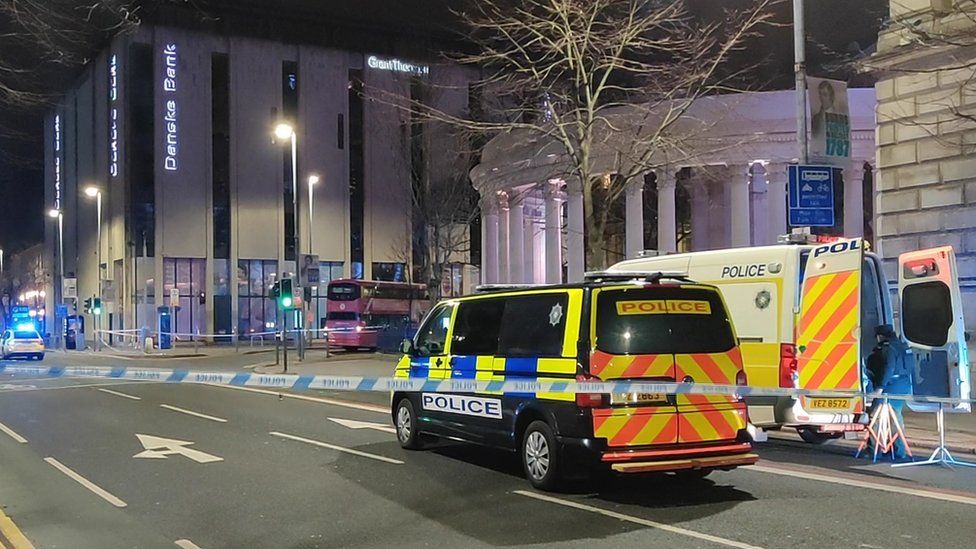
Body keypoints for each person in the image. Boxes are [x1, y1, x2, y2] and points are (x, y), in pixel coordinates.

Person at [865, 324, 913, 459]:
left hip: (890, 385)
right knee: (895, 417)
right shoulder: (903, 345)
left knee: (875, 416)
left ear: (880, 336)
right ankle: (898, 450)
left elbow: (889, 367)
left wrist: (880, 387)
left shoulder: (887, 347)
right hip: (903, 385)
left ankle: (874, 450)